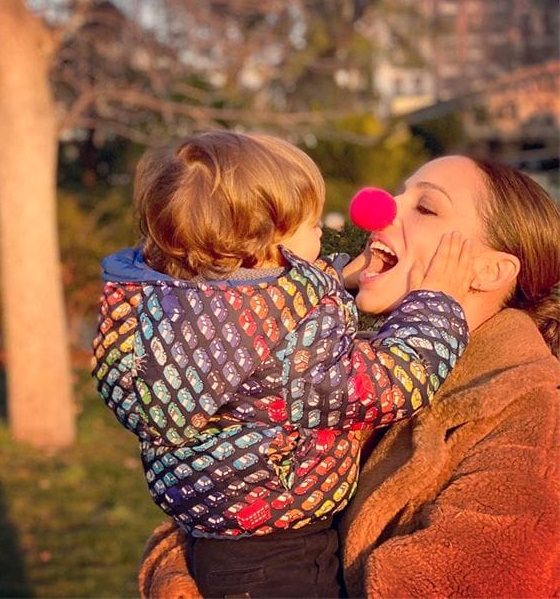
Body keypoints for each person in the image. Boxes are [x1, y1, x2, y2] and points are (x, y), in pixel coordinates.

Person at [137, 154, 560, 599]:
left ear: (490, 270)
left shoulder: (537, 421)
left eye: (426, 208)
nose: (380, 208)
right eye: (399, 193)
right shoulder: (337, 363)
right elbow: (215, 500)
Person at [91, 131, 473, 598]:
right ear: (270, 241)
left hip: (218, 540)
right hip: (279, 555)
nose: (323, 232)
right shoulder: (291, 349)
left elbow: (262, 307)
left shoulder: (171, 301)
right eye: (312, 224)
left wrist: (336, 277)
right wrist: (437, 304)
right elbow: (393, 383)